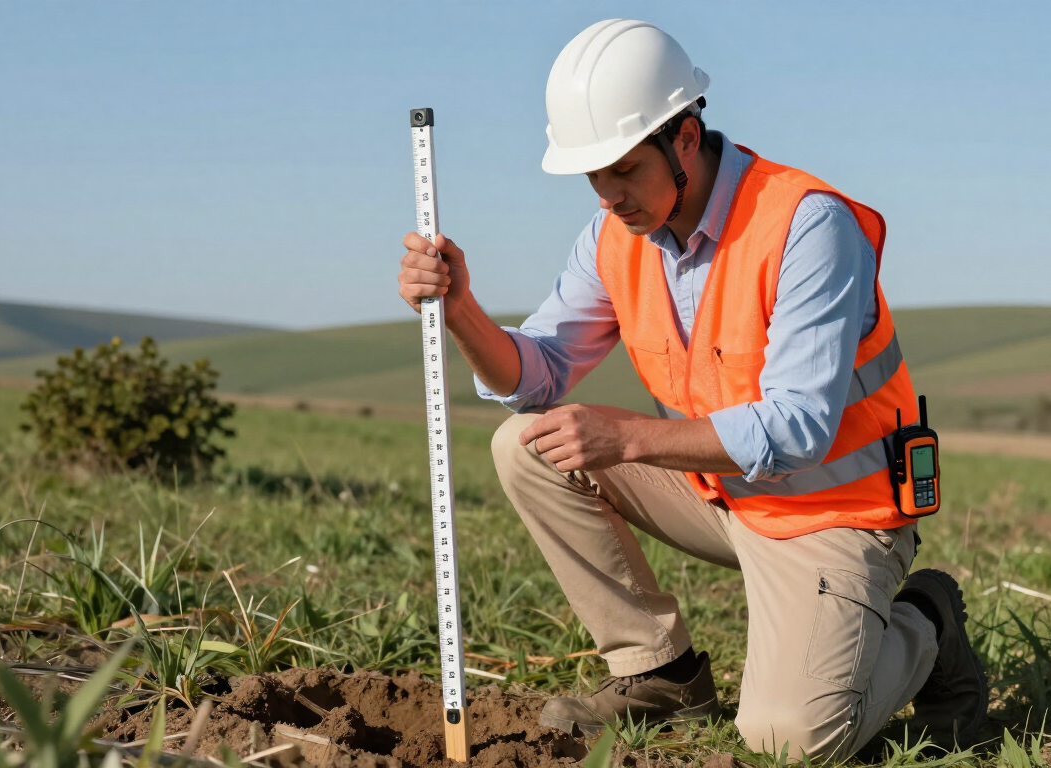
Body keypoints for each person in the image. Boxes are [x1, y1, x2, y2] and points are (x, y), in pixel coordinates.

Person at [396, 19, 988, 761]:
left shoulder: (808, 225)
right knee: (527, 444)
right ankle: (660, 673)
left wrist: (628, 436)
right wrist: (461, 312)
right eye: (593, 176)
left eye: (622, 169)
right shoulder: (616, 234)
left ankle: (926, 621)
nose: (608, 197)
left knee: (789, 742)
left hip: (837, 514)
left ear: (683, 136)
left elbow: (799, 427)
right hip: (723, 495)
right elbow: (537, 373)